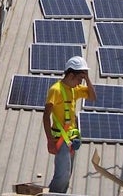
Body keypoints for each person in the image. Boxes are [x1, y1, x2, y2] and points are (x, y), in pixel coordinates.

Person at [43, 56, 97, 194]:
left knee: (66, 176)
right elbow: (46, 116)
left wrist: (88, 79)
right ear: (71, 75)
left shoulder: (74, 89)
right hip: (60, 139)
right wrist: (49, 140)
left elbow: (92, 96)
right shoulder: (56, 90)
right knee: (62, 175)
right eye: (80, 78)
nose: (80, 82)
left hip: (71, 140)